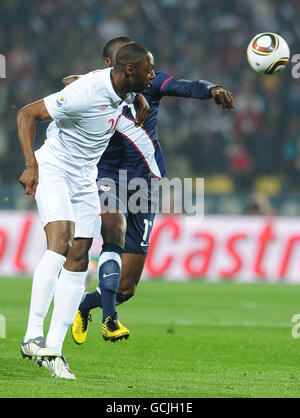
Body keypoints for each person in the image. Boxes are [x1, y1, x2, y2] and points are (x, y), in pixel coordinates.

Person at [67, 37, 234, 346]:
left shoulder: (150, 84)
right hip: (107, 178)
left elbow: (186, 86)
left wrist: (212, 88)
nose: (149, 73)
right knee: (112, 228)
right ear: (113, 66)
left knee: (127, 288)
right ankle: (109, 320)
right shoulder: (95, 87)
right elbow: (68, 83)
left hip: (145, 186)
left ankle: (86, 305)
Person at [18, 41, 155, 379]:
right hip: (54, 167)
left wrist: (137, 96)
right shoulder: (87, 92)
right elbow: (27, 114)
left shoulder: (123, 88)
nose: (153, 75)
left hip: (84, 176)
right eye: (148, 70)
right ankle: (32, 334)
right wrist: (31, 165)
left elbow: (91, 82)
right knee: (61, 240)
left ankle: (53, 349)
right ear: (128, 70)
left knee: (80, 255)